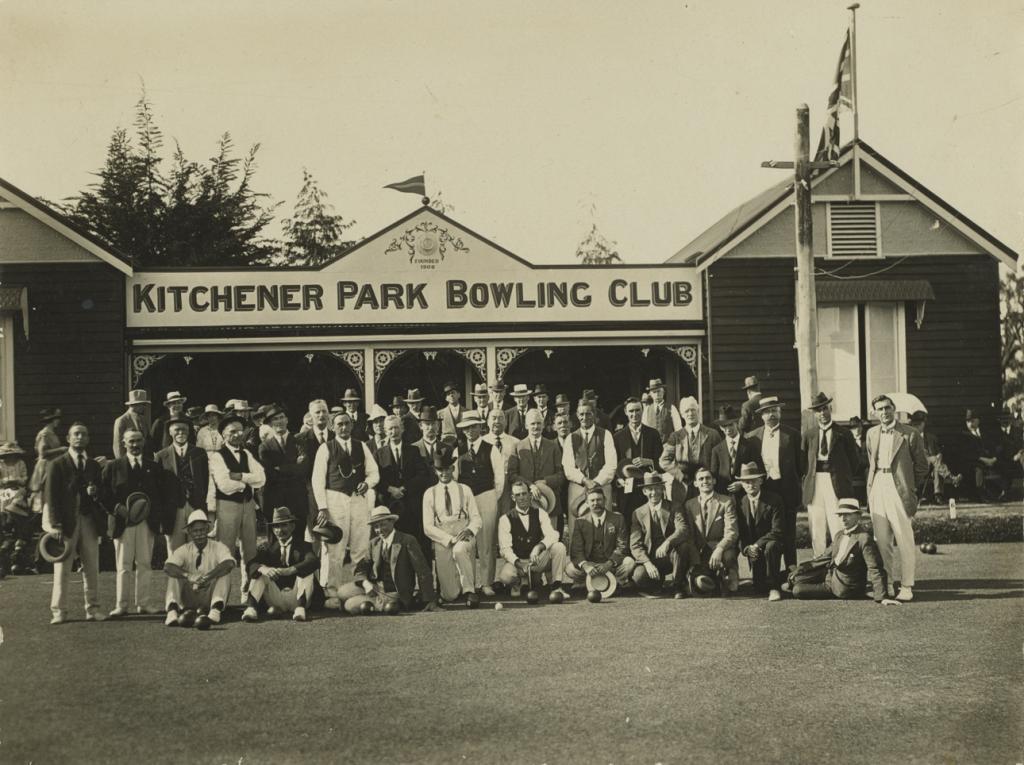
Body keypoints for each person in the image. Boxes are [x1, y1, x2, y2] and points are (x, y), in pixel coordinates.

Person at [103, 429, 171, 617]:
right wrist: (118, 509)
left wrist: (154, 517)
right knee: (123, 566)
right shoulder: (113, 467)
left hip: (145, 523)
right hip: (122, 523)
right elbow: (104, 495)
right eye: (131, 441)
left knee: (144, 563)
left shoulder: (153, 467)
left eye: (138, 441)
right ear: (124, 443)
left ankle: (144, 603)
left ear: (143, 443)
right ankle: (121, 605)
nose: (135, 445)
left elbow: (159, 496)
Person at [866, 394, 928, 602]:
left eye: (887, 408)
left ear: (894, 409)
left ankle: (907, 586)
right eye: (879, 409)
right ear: (875, 412)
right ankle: (888, 584)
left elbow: (922, 466)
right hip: (877, 487)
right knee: (881, 541)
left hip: (899, 489)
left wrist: (910, 488)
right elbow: (871, 462)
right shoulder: (871, 433)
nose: (884, 412)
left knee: (904, 538)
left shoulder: (910, 434)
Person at [312, 410, 379, 599]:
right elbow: (317, 480)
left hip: (358, 500)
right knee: (335, 548)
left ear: (352, 425)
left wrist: (368, 483)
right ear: (332, 427)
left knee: (361, 545)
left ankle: (359, 586)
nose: (343, 427)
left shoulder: (361, 446)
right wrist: (322, 507)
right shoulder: (326, 448)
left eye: (347, 424)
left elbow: (374, 473)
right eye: (339, 424)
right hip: (334, 500)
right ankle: (330, 591)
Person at [44, 422, 106, 624]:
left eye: (84, 434)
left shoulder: (94, 466)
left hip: (89, 520)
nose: (80, 437)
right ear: (68, 439)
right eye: (76, 434)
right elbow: (51, 498)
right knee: (62, 567)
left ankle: (93, 608)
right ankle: (59, 611)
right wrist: (56, 525)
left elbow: (102, 495)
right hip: (66, 523)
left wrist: (95, 493)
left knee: (91, 567)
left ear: (88, 439)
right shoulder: (57, 464)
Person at [790, 498, 897, 604]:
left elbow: (874, 567)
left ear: (858, 516)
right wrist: (800, 569)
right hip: (830, 575)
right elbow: (825, 557)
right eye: (840, 515)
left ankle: (791, 585)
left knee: (798, 590)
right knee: (796, 577)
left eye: (847, 514)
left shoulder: (864, 538)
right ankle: (788, 581)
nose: (843, 518)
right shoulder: (839, 535)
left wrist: (882, 597)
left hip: (843, 587)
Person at [207, 413, 266, 602]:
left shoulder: (247, 453)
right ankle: (221, 597)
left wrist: (240, 477)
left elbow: (261, 478)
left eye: (240, 431)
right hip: (227, 506)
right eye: (232, 432)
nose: (237, 435)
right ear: (224, 435)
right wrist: (247, 481)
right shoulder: (217, 456)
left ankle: (248, 594)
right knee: (225, 552)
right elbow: (225, 485)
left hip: (248, 506)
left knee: (250, 552)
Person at [800, 392, 863, 556]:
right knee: (817, 525)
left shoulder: (843, 433)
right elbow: (803, 462)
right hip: (815, 483)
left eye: (825, 409)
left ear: (830, 409)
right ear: (814, 414)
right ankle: (819, 561)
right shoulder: (809, 435)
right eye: (818, 411)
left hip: (835, 482)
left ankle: (839, 560)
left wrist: (842, 475)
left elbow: (854, 461)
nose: (822, 413)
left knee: (837, 522)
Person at [344, 505, 438, 613]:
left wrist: (429, 599)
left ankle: (378, 605)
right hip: (375, 587)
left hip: (395, 592)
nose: (379, 530)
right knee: (342, 593)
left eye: (383, 524)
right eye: (376, 527)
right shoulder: (374, 543)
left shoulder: (407, 540)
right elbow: (361, 568)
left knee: (349, 605)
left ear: (392, 522)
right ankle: (373, 603)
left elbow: (422, 571)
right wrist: (366, 584)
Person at [747, 395, 804, 570]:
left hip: (787, 488)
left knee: (788, 532)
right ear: (761, 415)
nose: (771, 414)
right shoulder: (752, 437)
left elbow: (801, 465)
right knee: (766, 530)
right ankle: (765, 572)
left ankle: (791, 569)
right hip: (765, 489)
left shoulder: (792, 435)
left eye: (774, 410)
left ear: (780, 412)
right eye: (767, 412)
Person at [423, 448, 481, 605]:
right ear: (435, 471)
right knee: (450, 595)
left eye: (447, 469)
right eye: (440, 470)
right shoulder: (429, 493)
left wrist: (470, 529)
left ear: (453, 468)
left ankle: (470, 590)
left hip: (463, 533)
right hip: (443, 538)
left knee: (460, 549)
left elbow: (476, 518)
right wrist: (449, 539)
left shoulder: (465, 489)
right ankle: (453, 589)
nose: (444, 473)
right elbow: (427, 527)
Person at [242, 506, 321, 622]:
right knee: (259, 571)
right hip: (276, 599)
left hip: (299, 597)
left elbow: (314, 561)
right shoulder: (267, 548)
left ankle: (300, 610)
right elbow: (251, 564)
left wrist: (291, 570)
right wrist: (263, 569)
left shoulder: (303, 545)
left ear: (292, 526)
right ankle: (251, 609)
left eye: (284, 525)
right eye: (276, 526)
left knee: (306, 571)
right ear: (273, 530)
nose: (280, 530)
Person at [455, 415, 505, 595]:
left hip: (487, 497)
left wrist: (491, 498)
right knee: (467, 542)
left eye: (473, 427)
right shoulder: (458, 451)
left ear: (480, 428)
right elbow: (454, 478)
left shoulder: (491, 449)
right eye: (466, 428)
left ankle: (486, 583)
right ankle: (468, 585)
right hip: (466, 501)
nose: (470, 431)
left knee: (486, 543)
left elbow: (499, 479)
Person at [671, 466, 739, 597]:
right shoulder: (689, 505)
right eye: (701, 479)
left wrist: (719, 548)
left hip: (719, 548)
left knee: (729, 555)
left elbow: (732, 532)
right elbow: (688, 534)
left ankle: (729, 576)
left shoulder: (726, 501)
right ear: (696, 483)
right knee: (700, 582)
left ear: (714, 481)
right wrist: (695, 558)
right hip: (699, 550)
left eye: (708, 478)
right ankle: (694, 580)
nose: (705, 481)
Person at [497, 478, 570, 598]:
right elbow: (505, 550)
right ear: (513, 498)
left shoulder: (540, 512)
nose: (522, 497)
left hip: (536, 560)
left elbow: (553, 534)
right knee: (506, 577)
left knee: (559, 547)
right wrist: (519, 563)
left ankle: (557, 587)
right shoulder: (505, 519)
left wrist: (538, 547)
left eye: (524, 493)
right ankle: (518, 583)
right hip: (517, 561)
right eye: (518, 495)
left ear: (530, 495)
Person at [163, 510, 235, 627]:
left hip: (210, 595)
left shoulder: (218, 547)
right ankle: (172, 612)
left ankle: (215, 611)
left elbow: (229, 563)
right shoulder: (184, 549)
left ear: (207, 529)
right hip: (189, 596)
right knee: (174, 575)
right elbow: (168, 567)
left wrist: (208, 577)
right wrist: (189, 576)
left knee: (225, 574)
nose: (199, 534)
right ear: (190, 532)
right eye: (195, 531)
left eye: (202, 530)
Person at [562, 399, 616, 541]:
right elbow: (568, 467)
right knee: (578, 525)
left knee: (603, 523)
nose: (585, 417)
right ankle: (578, 558)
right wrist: (585, 480)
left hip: (602, 486)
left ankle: (605, 556)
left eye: (588, 413)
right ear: (577, 415)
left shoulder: (606, 435)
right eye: (582, 414)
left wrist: (596, 482)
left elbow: (611, 464)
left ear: (594, 415)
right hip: (578, 487)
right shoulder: (570, 438)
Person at [155, 418, 210, 551]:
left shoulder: (199, 453)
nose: (181, 433)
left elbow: (205, 480)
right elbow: (159, 487)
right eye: (177, 430)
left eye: (184, 429)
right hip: (173, 508)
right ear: (170, 432)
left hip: (195, 505)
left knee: (198, 547)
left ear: (189, 431)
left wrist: (200, 501)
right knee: (175, 549)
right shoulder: (161, 456)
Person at [565, 486, 635, 588]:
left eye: (599, 500)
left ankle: (615, 581)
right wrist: (586, 565)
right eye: (592, 500)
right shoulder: (580, 522)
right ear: (587, 503)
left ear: (605, 500)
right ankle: (590, 580)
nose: (596, 503)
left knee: (629, 562)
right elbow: (576, 550)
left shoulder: (618, 519)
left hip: (610, 564)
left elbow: (622, 546)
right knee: (569, 568)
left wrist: (609, 563)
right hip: (590, 566)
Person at [733, 462, 785, 600]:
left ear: (761, 480)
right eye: (746, 482)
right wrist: (747, 549)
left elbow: (778, 530)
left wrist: (757, 545)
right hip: (753, 551)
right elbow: (740, 532)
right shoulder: (740, 503)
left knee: (771, 545)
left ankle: (775, 587)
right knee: (759, 588)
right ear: (741, 484)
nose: (751, 485)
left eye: (754, 480)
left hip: (770, 546)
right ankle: (770, 579)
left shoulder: (774, 499)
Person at [629, 474, 686, 597]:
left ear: (663, 489)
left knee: (682, 548)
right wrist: (647, 563)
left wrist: (667, 542)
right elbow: (635, 544)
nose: (654, 493)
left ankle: (677, 586)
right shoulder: (638, 513)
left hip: (671, 555)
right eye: (650, 489)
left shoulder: (675, 506)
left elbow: (682, 529)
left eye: (657, 488)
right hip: (651, 557)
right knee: (639, 576)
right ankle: (657, 584)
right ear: (644, 491)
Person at [508, 409, 566, 528]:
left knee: (551, 539)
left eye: (539, 423)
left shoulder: (553, 447)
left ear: (544, 425)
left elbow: (561, 475)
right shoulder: (517, 447)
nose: (536, 426)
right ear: (526, 425)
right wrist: (530, 485)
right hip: (525, 502)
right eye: (532, 423)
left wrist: (545, 482)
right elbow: (512, 474)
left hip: (550, 502)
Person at [376, 414, 430, 541]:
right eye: (390, 429)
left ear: (402, 429)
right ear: (385, 431)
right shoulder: (379, 454)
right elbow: (375, 478)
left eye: (396, 428)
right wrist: (390, 489)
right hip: (388, 505)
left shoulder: (413, 450)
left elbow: (422, 475)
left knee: (412, 540)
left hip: (411, 505)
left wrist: (404, 488)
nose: (393, 432)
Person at [259, 405, 309, 532]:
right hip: (275, 499)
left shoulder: (300, 441)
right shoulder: (265, 447)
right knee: (276, 539)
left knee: (298, 536)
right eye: (275, 419)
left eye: (282, 417)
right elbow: (270, 474)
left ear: (287, 420)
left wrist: (280, 468)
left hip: (297, 497)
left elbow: (303, 469)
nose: (279, 421)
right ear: (270, 424)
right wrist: (293, 465)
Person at [613, 397, 662, 524]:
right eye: (631, 411)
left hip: (648, 488)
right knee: (627, 522)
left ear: (643, 410)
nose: (634, 414)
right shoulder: (617, 437)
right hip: (627, 489)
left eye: (637, 410)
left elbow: (662, 463)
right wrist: (618, 479)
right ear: (625, 412)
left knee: (649, 523)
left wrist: (650, 462)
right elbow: (613, 464)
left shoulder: (653, 434)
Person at [295, 398, 333, 537]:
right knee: (316, 530)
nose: (321, 415)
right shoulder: (300, 439)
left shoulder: (336, 437)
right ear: (310, 416)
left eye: (324, 411)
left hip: (335, 491)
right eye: (317, 412)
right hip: (310, 493)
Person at [708, 405, 761, 498]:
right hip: (724, 497)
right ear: (720, 427)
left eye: (730, 424)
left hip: (745, 497)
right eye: (724, 426)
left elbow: (759, 471)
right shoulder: (716, 450)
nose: (728, 429)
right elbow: (714, 476)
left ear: (736, 423)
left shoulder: (750, 446)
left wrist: (742, 483)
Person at [911, 410, 961, 504]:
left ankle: (938, 495)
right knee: (935, 460)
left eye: (919, 424)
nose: (917, 427)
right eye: (915, 424)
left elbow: (938, 451)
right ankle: (951, 478)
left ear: (923, 424)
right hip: (918, 466)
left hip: (933, 466)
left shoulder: (931, 437)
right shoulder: (911, 438)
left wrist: (939, 455)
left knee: (937, 468)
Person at [661, 396, 722, 474]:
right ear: (682, 414)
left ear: (698, 411)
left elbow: (721, 460)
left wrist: (712, 477)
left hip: (706, 483)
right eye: (686, 411)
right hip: (684, 484)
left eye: (693, 410)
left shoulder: (712, 434)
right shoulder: (675, 437)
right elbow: (664, 461)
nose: (690, 413)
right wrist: (679, 475)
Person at [0, 442, 34, 576]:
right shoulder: (1, 465)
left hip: (18, 490)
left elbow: (24, 478)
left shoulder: (20, 463)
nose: (10, 458)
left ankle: (17, 557)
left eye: (12, 455)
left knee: (19, 504)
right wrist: (6, 482)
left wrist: (16, 481)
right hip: (3, 491)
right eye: (8, 455)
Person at [30, 407, 66, 514]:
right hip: (45, 466)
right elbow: (43, 453)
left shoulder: (52, 433)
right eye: (57, 419)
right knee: (45, 492)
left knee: (53, 491)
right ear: (52, 420)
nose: (58, 421)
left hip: (53, 464)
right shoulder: (44, 434)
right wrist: (61, 449)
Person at [483, 408, 514, 516]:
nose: (497, 421)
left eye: (501, 418)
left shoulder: (515, 442)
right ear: (487, 421)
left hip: (508, 485)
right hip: (487, 484)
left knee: (507, 517)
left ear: (505, 422)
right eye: (494, 418)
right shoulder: (482, 442)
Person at [113, 390, 151, 458]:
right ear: (135, 405)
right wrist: (123, 464)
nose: (144, 407)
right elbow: (118, 446)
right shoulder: (121, 421)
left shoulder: (143, 420)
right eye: (143, 404)